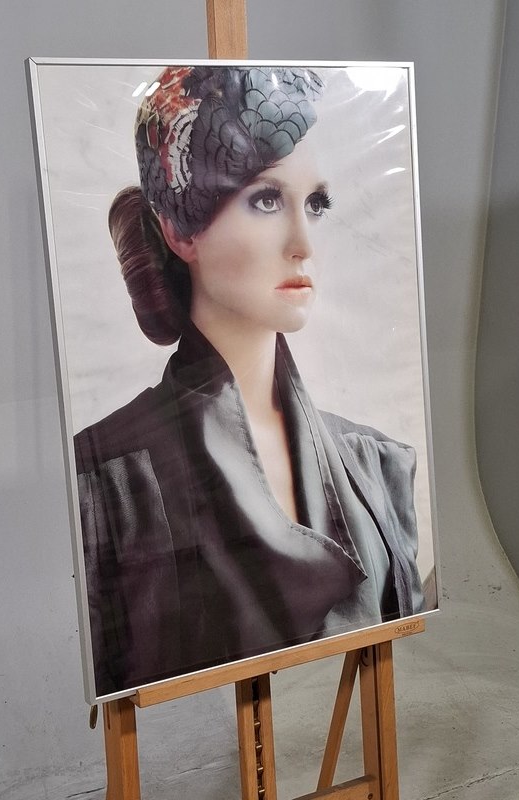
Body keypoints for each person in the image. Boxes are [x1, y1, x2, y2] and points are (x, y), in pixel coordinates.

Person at [74, 66, 424, 697]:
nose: (303, 243)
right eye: (266, 200)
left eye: (315, 204)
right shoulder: (106, 486)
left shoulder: (376, 466)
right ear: (180, 230)